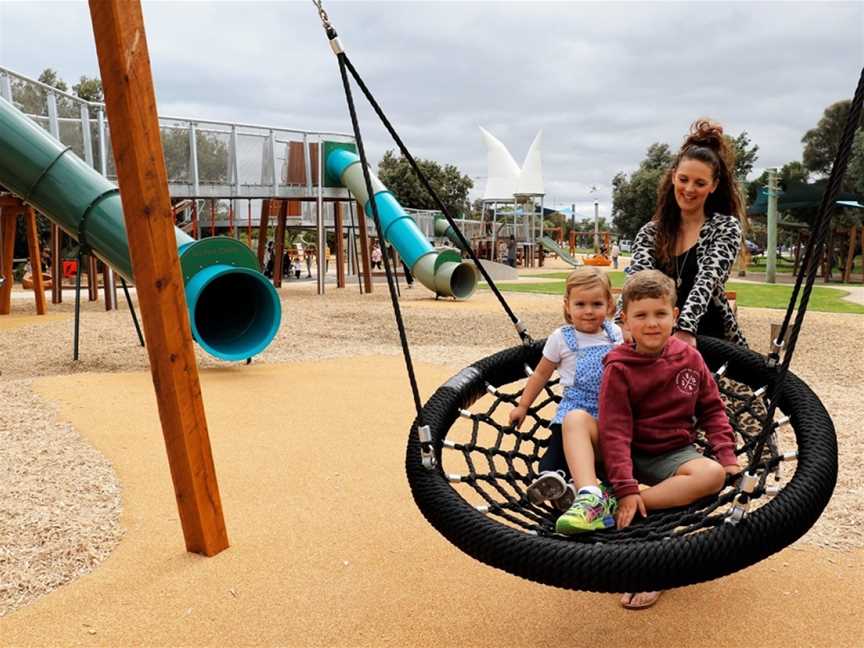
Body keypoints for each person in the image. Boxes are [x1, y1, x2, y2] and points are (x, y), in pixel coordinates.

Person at [600, 270, 741, 609]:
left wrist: (726, 455)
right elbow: (614, 430)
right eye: (641, 315)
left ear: (674, 317)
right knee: (582, 436)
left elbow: (713, 409)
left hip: (672, 453)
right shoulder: (619, 367)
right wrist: (625, 483)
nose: (652, 323)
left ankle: (634, 506)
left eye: (660, 314)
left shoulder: (690, 357)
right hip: (629, 453)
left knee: (712, 475)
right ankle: (629, 505)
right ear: (625, 321)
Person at [509, 267, 624, 534]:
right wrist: (523, 405)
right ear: (567, 306)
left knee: (608, 461)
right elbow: (540, 373)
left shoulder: (614, 334)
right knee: (558, 449)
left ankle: (586, 493)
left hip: (609, 410)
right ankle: (554, 480)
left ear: (609, 304)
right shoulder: (561, 338)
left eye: (597, 304)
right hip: (574, 407)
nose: (588, 311)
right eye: (580, 304)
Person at [617, 118, 747, 348]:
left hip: (706, 333)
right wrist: (621, 321)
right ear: (673, 176)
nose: (689, 189)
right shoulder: (652, 232)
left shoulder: (725, 228)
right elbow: (636, 280)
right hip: (654, 332)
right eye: (684, 179)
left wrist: (685, 328)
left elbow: (707, 280)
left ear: (713, 186)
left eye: (700, 183)